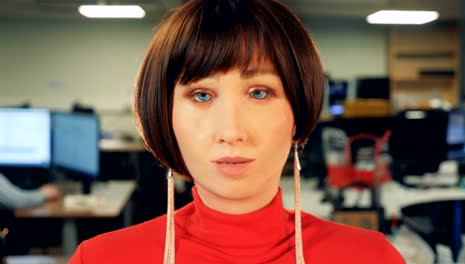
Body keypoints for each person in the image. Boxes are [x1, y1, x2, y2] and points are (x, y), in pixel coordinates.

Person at [70, 0, 405, 263]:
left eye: (259, 92)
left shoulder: (372, 257)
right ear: (165, 114)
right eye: (201, 95)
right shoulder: (99, 258)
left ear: (297, 111)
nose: (231, 132)